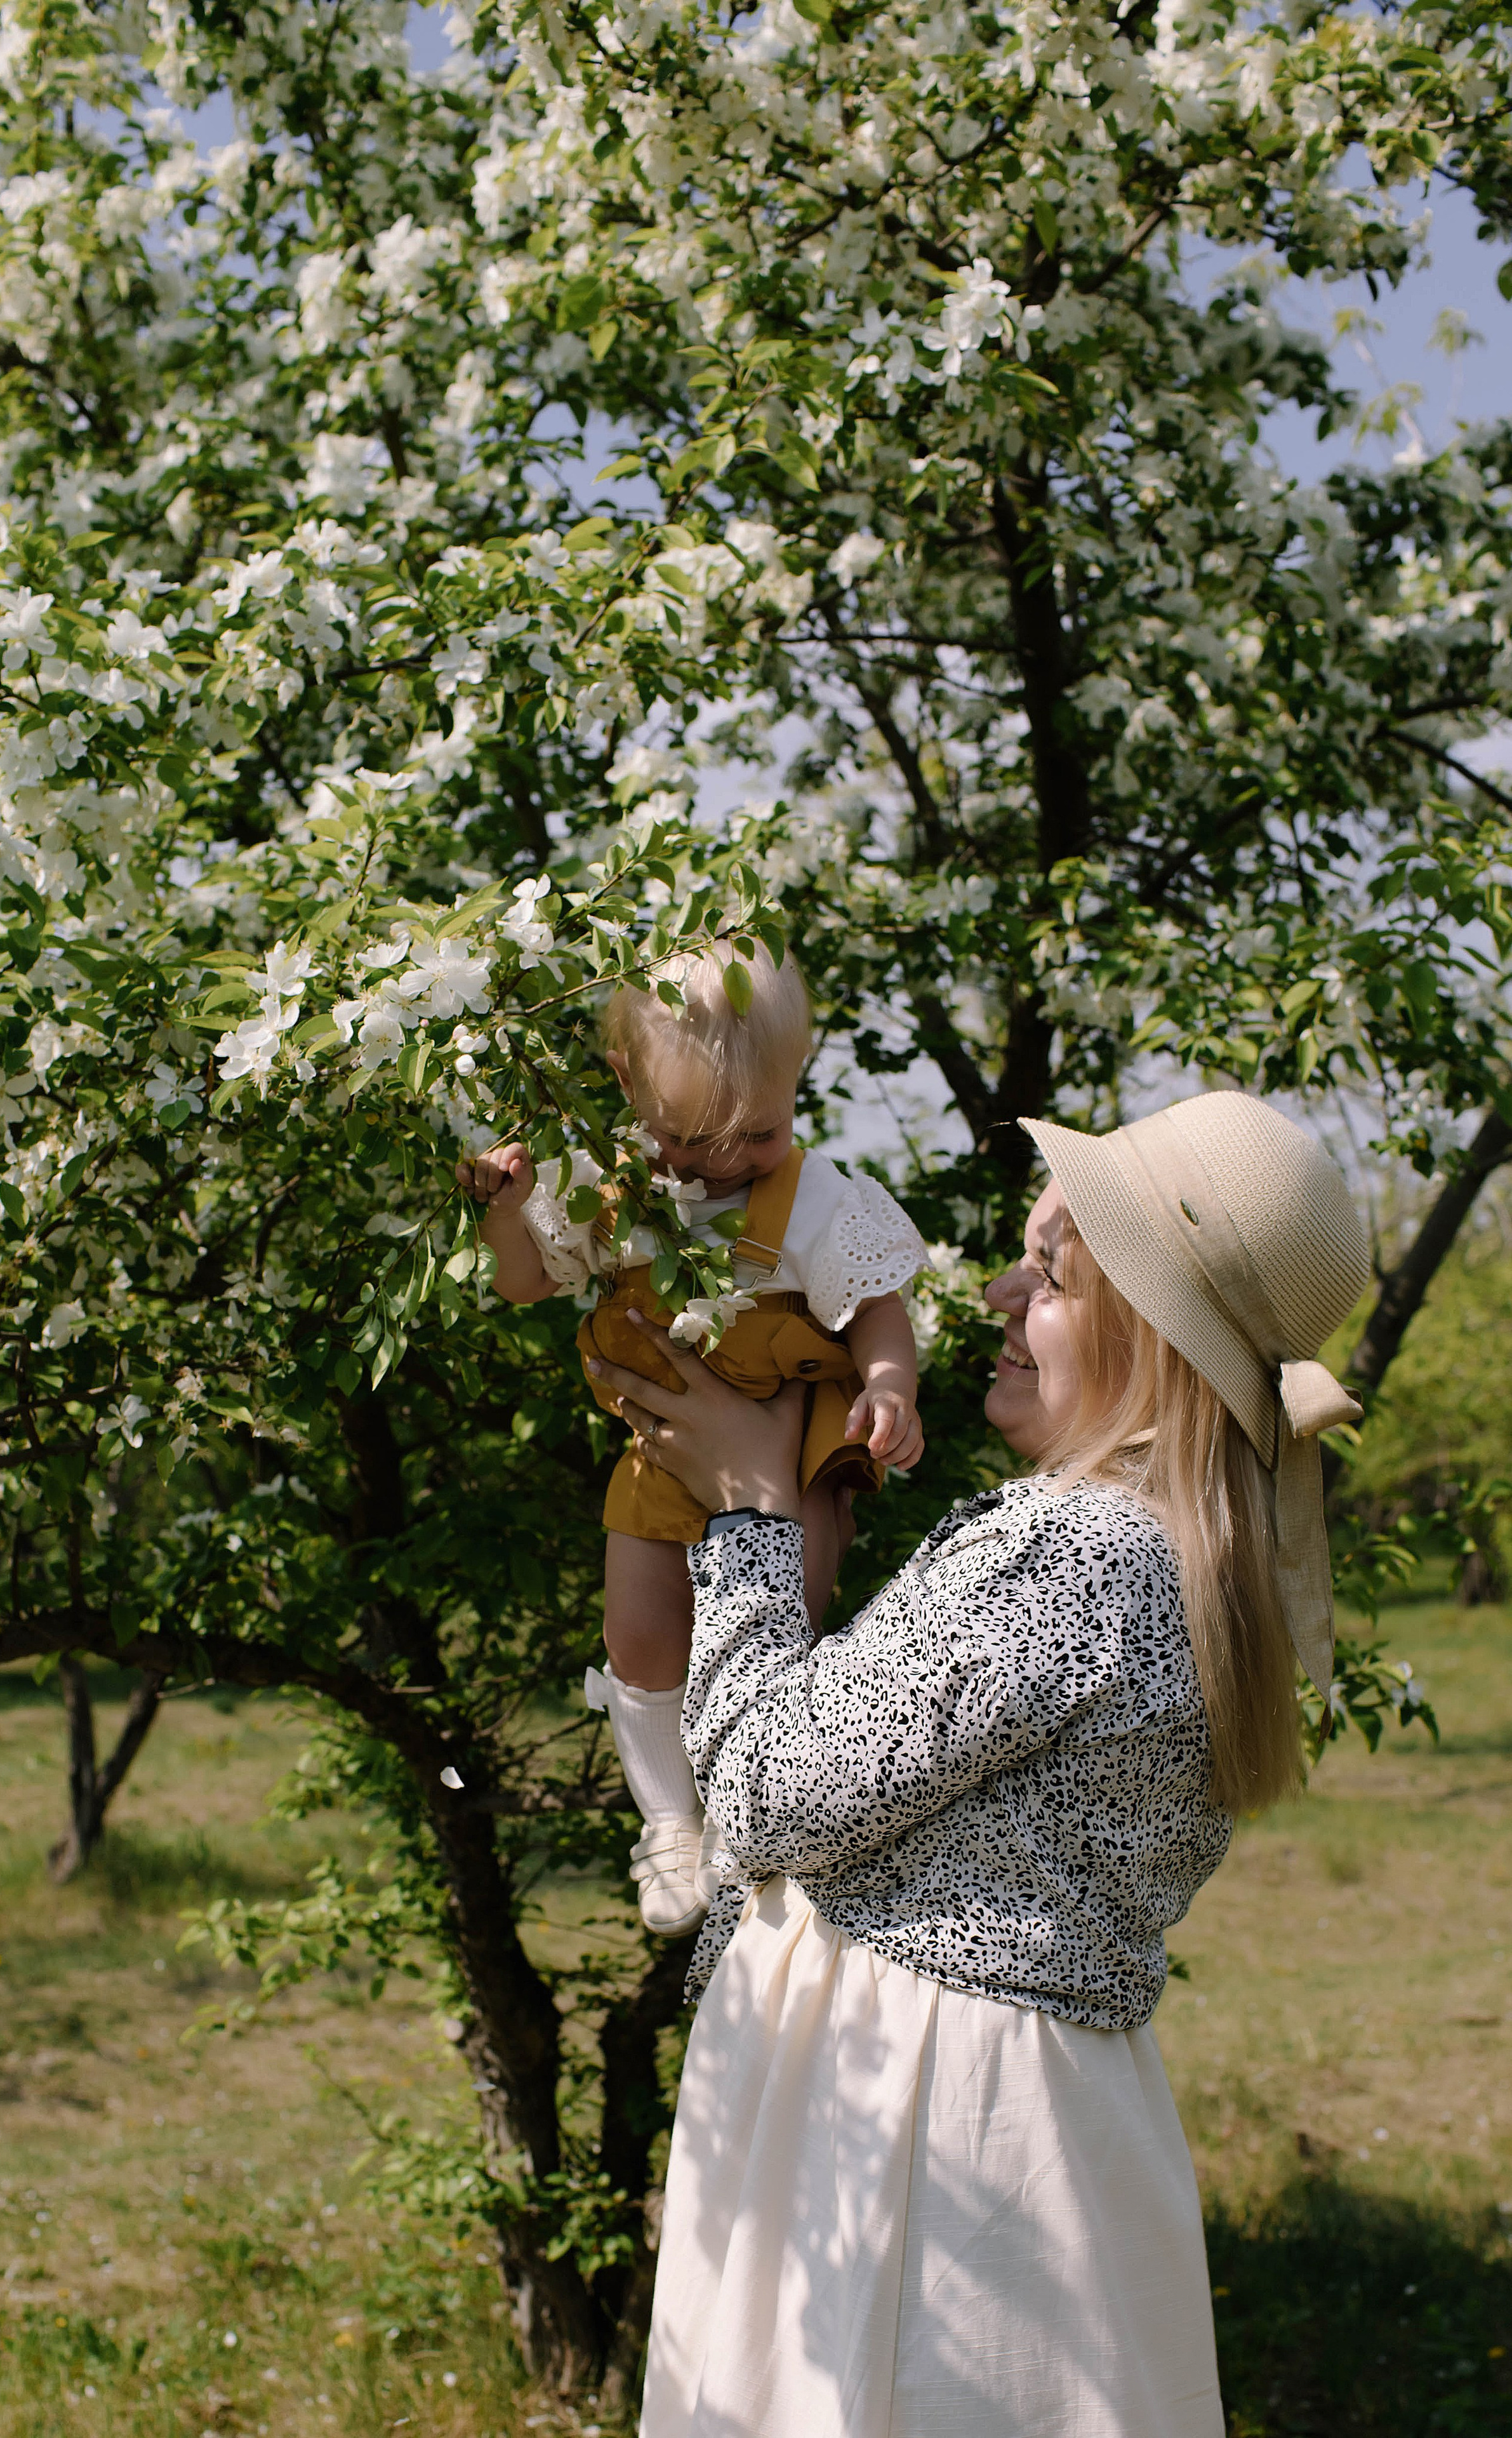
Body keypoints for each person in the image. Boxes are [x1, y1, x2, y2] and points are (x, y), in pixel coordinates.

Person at [583, 1089, 1370, 2438]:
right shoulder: (1147, 1549)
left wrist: (756, 1505)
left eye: (1051, 1270)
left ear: (1147, 1328)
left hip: (922, 2136)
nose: (1000, 1290)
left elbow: (766, 1793)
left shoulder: (1076, 1555)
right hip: (973, 2117)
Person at [455, 946, 930, 1934]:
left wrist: (888, 1384)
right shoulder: (605, 1183)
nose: (720, 1161)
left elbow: (877, 1308)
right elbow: (528, 1281)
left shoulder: (816, 1199)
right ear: (627, 1085)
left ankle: (745, 1803)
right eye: (686, 1137)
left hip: (782, 1456)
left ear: (796, 1085)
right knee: (638, 1636)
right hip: (662, 1452)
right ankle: (671, 1824)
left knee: (774, 1621)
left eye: (757, 1133)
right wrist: (505, 1215)